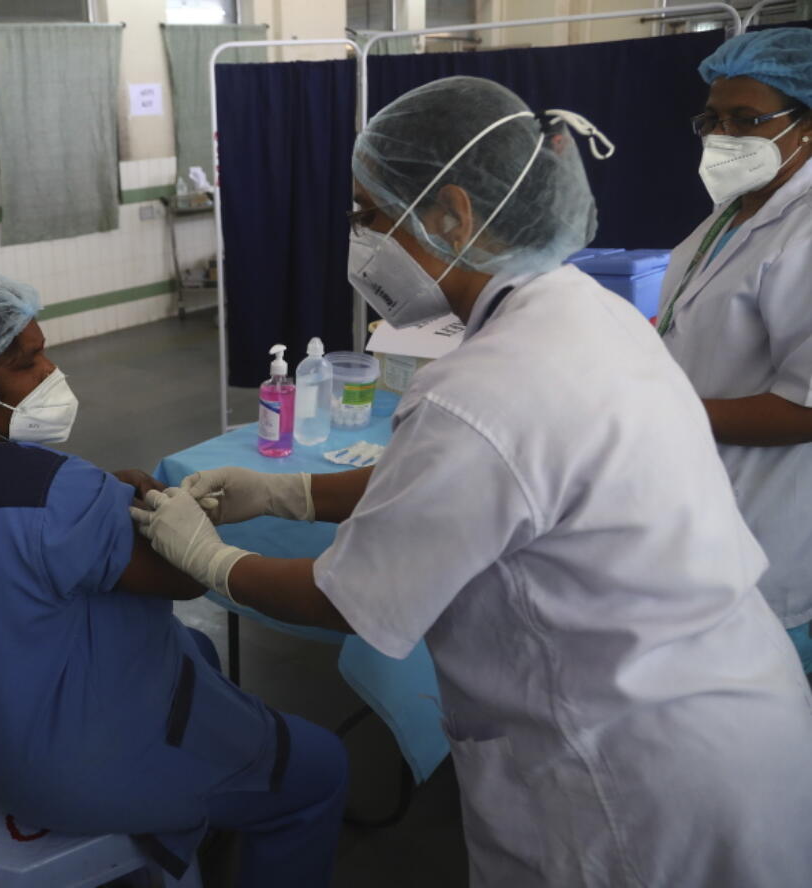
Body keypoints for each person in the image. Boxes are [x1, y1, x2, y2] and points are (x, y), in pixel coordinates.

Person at [133, 76, 812, 887]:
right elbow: (477, 486)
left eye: (369, 216)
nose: (358, 240)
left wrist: (211, 561)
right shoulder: (585, 312)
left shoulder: (483, 389)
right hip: (734, 712)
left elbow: (349, 598)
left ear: (453, 214)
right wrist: (290, 493)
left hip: (630, 780)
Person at [0, 274, 348, 887]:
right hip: (79, 770)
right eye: (26, 364)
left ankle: (206, 807)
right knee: (321, 769)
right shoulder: (56, 493)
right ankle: (208, 802)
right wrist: (186, 521)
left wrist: (104, 493)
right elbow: (181, 579)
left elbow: (26, 541)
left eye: (44, 349)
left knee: (197, 648)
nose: (51, 370)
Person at [656, 28, 812, 674]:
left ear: (805, 126)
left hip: (766, 534)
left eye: (747, 120)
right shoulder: (730, 213)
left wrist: (668, 412)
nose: (724, 136)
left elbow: (806, 408)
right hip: (696, 512)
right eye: (713, 119)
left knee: (756, 739)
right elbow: (687, 320)